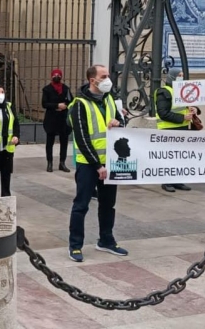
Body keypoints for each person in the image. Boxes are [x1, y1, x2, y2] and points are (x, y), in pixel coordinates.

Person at [67, 65, 128, 263]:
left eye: (108, 76)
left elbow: (122, 123)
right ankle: (75, 246)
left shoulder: (109, 99)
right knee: (81, 205)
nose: (108, 79)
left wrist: (118, 123)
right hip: (88, 164)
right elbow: (82, 138)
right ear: (92, 80)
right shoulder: (79, 104)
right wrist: (97, 166)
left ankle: (106, 240)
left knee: (108, 204)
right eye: (104, 76)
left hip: (110, 161)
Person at [154, 68, 198, 193]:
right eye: (179, 76)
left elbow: (184, 107)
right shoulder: (163, 92)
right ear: (172, 77)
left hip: (182, 128)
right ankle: (166, 182)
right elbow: (163, 113)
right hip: (168, 129)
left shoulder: (182, 91)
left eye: (182, 76)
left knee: (179, 156)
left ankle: (177, 180)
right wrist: (182, 117)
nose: (181, 78)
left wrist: (194, 109)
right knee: (168, 157)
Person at [42, 68, 72, 173]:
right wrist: (56, 105)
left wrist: (65, 106)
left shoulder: (66, 89)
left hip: (63, 119)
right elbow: (44, 104)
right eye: (54, 75)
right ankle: (49, 163)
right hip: (51, 119)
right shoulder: (47, 89)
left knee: (64, 142)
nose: (56, 77)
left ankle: (62, 163)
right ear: (51, 77)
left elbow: (71, 101)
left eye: (58, 75)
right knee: (49, 142)